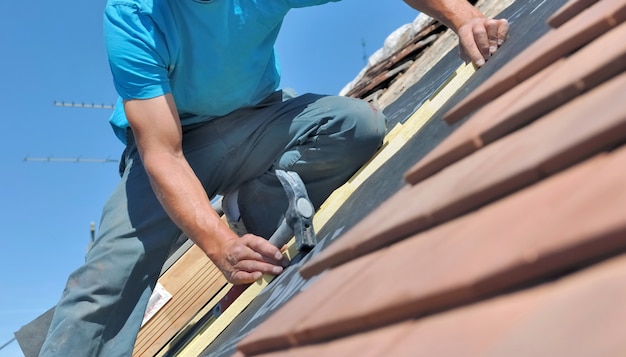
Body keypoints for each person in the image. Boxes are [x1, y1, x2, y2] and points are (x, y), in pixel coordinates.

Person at [40, 0, 508, 355]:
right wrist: (218, 244)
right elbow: (163, 153)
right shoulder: (134, 15)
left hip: (261, 119)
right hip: (176, 149)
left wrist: (462, 15)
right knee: (103, 281)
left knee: (357, 125)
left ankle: (257, 205)